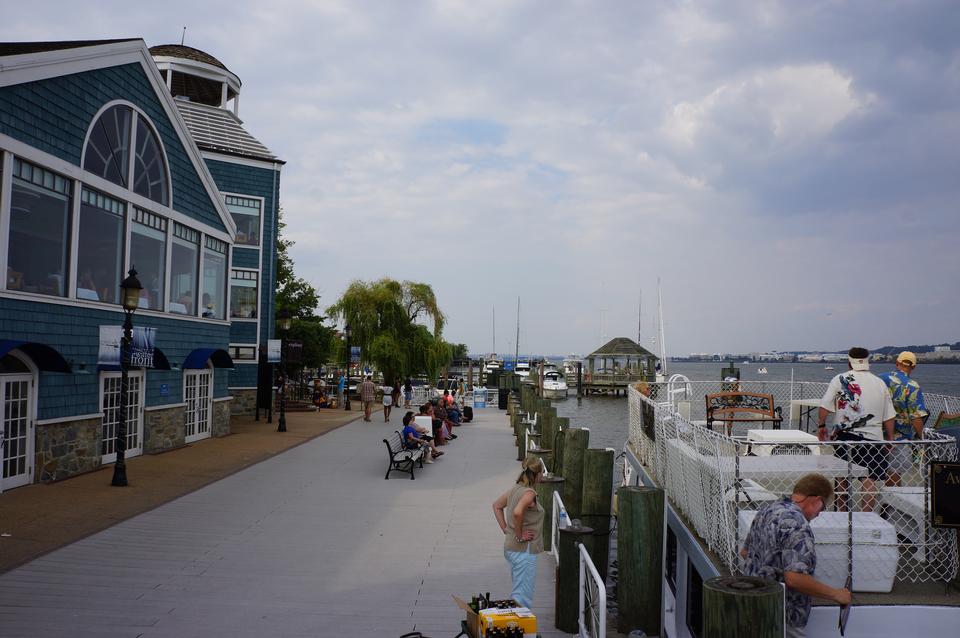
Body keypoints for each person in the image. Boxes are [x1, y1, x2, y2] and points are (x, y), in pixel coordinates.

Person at [742, 473, 851, 638]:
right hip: (782, 616)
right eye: (822, 508)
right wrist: (836, 594)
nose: (819, 514)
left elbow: (745, 552)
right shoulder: (798, 526)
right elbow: (794, 578)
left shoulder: (767, 510)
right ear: (816, 500)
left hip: (752, 605)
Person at [817, 346, 895, 511]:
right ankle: (865, 517)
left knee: (842, 476)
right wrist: (890, 438)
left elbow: (825, 405)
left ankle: (843, 514)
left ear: (849, 362)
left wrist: (822, 425)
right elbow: (889, 415)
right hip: (874, 438)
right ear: (868, 361)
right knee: (869, 479)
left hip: (846, 436)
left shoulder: (840, 378)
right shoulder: (880, 382)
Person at [492, 456, 545, 609]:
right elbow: (517, 512)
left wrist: (505, 529)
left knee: (519, 591)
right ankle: (517, 628)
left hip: (511, 548)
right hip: (524, 550)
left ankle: (515, 625)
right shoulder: (529, 494)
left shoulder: (515, 489)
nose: (543, 476)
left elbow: (496, 506)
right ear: (537, 474)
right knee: (522, 597)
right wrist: (519, 534)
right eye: (542, 472)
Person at [878, 351, 928, 486]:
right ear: (914, 367)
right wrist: (922, 437)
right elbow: (916, 416)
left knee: (873, 472)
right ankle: (890, 504)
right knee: (894, 472)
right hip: (899, 437)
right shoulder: (912, 386)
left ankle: (883, 503)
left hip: (876, 434)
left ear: (897, 364)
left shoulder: (880, 379)